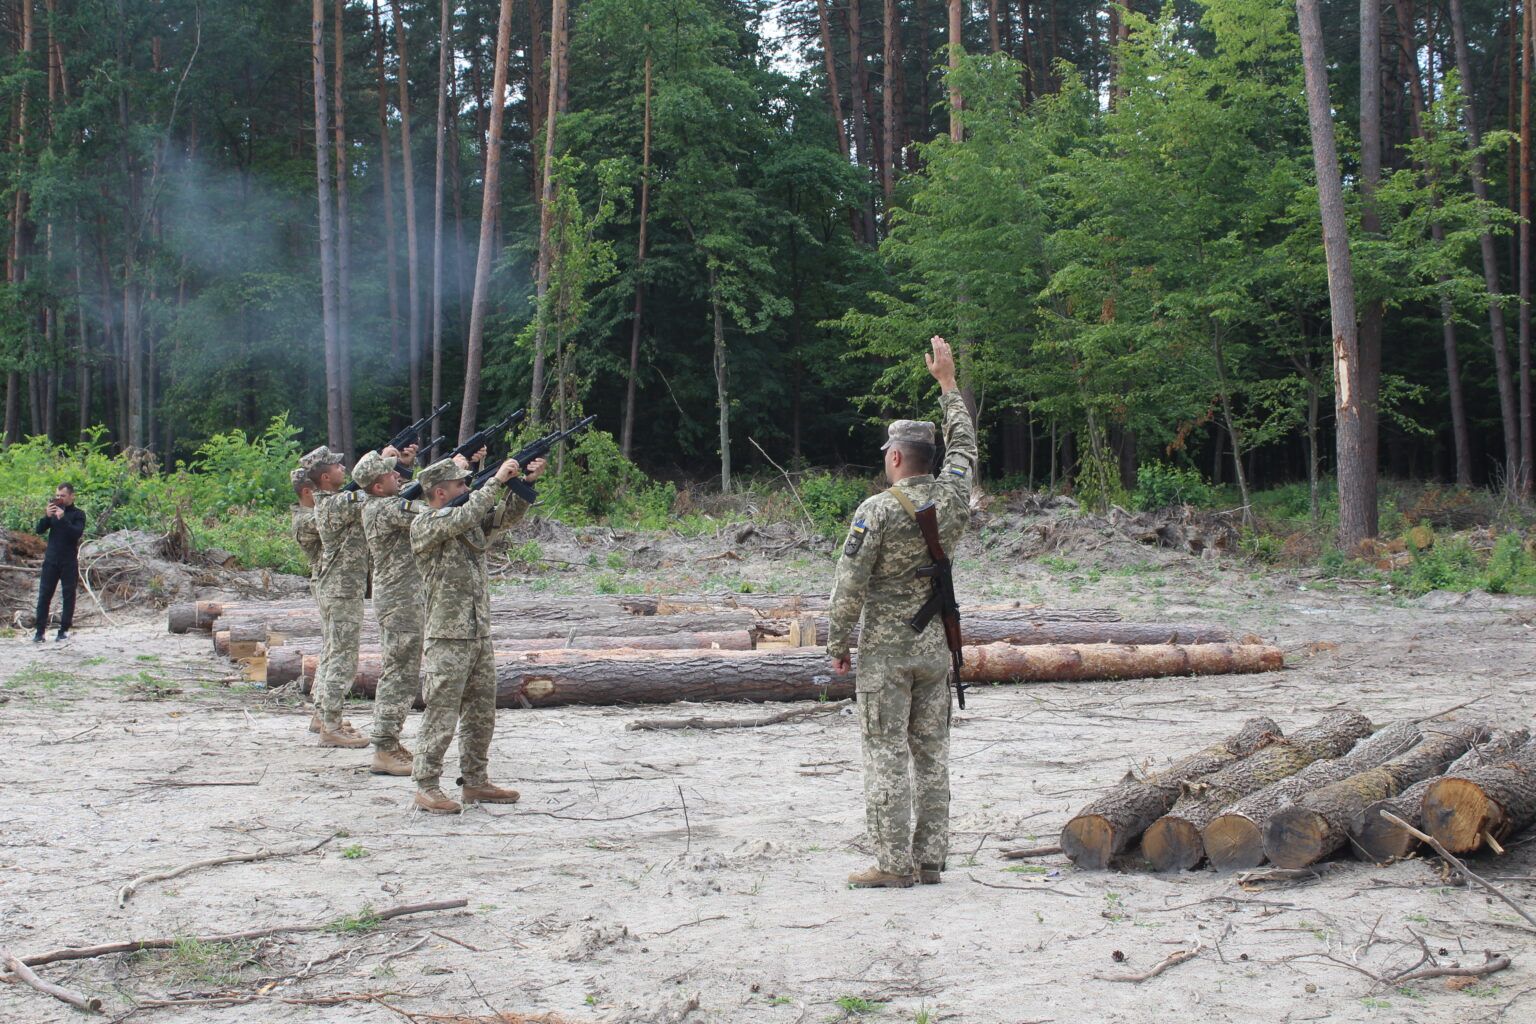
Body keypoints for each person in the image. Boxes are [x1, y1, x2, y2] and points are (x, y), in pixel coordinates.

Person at [826, 336, 977, 888]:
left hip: (887, 655)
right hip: (935, 649)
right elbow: (965, 448)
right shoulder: (954, 498)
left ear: (894, 458)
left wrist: (837, 644)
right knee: (932, 752)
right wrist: (948, 386)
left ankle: (893, 865)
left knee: (885, 750)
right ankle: (930, 859)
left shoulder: (877, 511)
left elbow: (849, 585)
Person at [409, 452, 545, 814]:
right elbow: (467, 513)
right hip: (447, 636)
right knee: (441, 711)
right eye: (460, 484)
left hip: (477, 632)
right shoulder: (425, 523)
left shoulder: (465, 520)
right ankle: (426, 784)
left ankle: (475, 780)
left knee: (481, 712)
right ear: (439, 492)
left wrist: (524, 484)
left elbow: (504, 518)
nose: (466, 488)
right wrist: (495, 481)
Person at [356, 446, 462, 776]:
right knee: (399, 671)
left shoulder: (385, 502)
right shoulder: (385, 509)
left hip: (405, 598)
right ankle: (384, 747)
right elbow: (432, 513)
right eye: (390, 474)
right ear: (376, 486)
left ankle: (389, 742)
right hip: (399, 600)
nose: (397, 475)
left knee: (402, 668)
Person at [307, 443, 414, 749]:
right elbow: (378, 491)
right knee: (343, 656)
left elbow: (378, 487)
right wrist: (391, 463)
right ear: (325, 478)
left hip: (339, 586)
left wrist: (395, 465)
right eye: (338, 467)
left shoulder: (334, 500)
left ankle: (324, 714)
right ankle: (330, 725)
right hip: (341, 588)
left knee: (333, 652)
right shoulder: (335, 504)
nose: (344, 469)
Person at [33, 483, 86, 642]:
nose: (59, 499)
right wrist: (47, 517)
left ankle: (63, 630)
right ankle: (39, 632)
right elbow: (39, 530)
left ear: (71, 496)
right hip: (51, 560)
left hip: (68, 561)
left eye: (62, 496)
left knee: (68, 596)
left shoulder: (78, 514)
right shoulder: (54, 512)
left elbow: (76, 533)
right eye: (57, 496)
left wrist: (62, 518)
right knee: (44, 596)